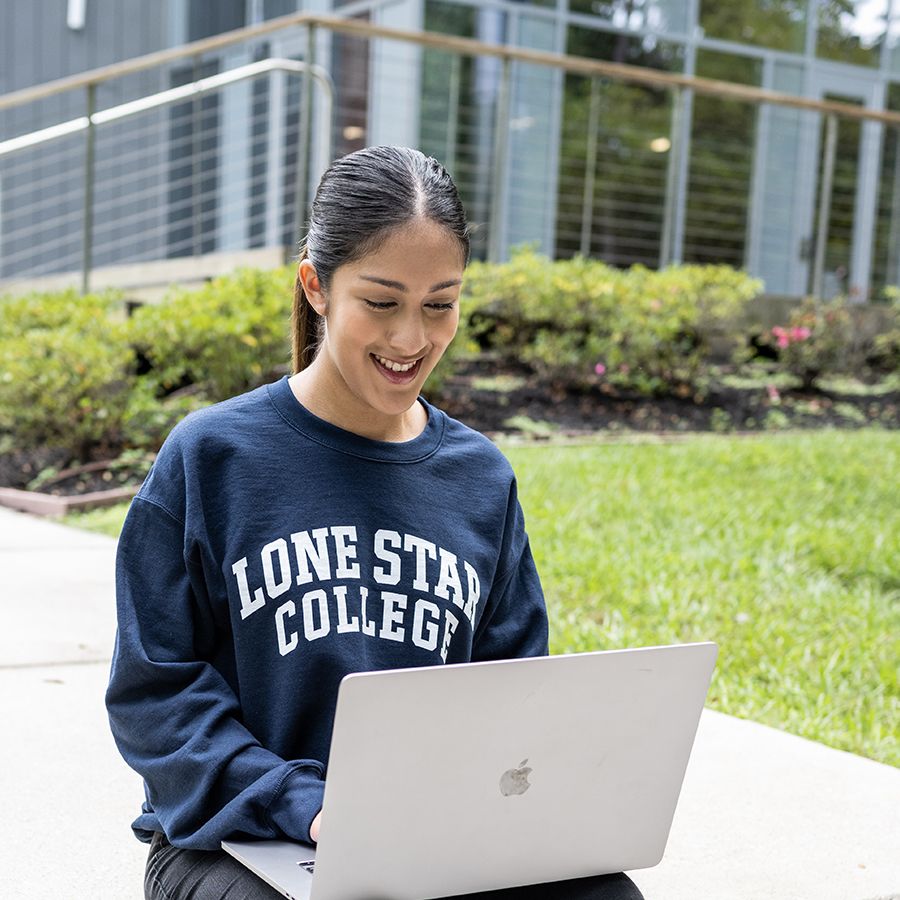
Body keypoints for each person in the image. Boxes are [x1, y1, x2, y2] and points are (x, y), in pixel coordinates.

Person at [106, 145, 644, 900]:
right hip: (239, 839)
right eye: (382, 303)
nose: (411, 340)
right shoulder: (211, 457)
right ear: (317, 287)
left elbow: (512, 695)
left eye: (441, 303)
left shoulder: (480, 478)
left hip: (431, 839)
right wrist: (306, 805)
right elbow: (153, 696)